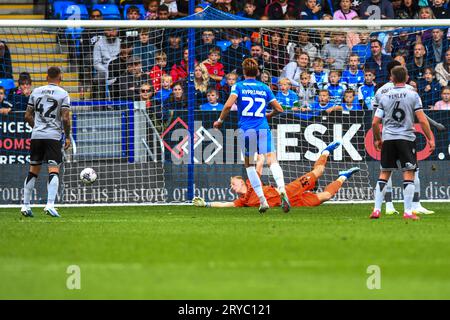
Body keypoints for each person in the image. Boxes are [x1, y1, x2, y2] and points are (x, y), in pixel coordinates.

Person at [212, 58, 289, 213]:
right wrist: (269, 114)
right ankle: (282, 189)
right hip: (262, 128)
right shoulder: (264, 87)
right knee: (272, 160)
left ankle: (262, 200)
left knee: (249, 165)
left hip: (246, 130)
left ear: (244, 72)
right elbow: (279, 109)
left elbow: (227, 105)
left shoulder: (238, 86)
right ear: (257, 72)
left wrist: (219, 120)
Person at [192, 141, 360, 209]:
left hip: (288, 191)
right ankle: (343, 176)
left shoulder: (252, 183)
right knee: (326, 196)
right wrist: (206, 204)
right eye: (231, 185)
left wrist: (260, 158)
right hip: (291, 204)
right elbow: (225, 205)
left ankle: (325, 151)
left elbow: (258, 164)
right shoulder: (242, 201)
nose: (231, 187)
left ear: (242, 182)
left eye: (233, 184)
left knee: (319, 171)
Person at [370, 66, 435, 220]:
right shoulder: (413, 95)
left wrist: (378, 138)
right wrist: (430, 138)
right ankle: (407, 212)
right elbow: (422, 119)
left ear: (392, 78)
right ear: (406, 78)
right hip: (406, 138)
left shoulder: (384, 96)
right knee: (409, 173)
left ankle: (376, 210)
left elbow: (374, 123)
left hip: (389, 139)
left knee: (384, 172)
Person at [21, 67, 71, 218]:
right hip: (53, 136)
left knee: (33, 170)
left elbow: (27, 115)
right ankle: (50, 204)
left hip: (36, 136)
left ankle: (25, 205)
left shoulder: (36, 92)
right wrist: (67, 136)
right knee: (53, 169)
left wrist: (36, 127)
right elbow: (66, 118)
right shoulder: (63, 93)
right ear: (60, 77)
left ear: (46, 77)